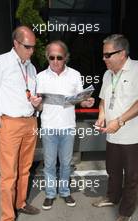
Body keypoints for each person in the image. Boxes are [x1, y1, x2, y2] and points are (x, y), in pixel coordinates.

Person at [0, 26, 42, 221]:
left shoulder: (31, 67)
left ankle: (20, 203)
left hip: (30, 122)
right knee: (9, 175)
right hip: (9, 123)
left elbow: (30, 93)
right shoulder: (0, 63)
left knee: (25, 168)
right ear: (16, 43)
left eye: (33, 47)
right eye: (27, 47)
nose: (31, 51)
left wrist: (36, 104)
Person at [92, 34, 138, 221]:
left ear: (122, 53)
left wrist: (119, 121)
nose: (104, 58)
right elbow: (103, 99)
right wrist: (102, 115)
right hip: (112, 133)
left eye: (108, 54)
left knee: (131, 176)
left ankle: (125, 212)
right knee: (113, 169)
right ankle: (112, 197)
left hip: (132, 134)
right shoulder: (107, 74)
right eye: (103, 55)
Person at [37, 40, 94, 210]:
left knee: (66, 163)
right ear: (48, 57)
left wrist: (87, 102)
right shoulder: (40, 77)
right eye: (51, 57)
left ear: (65, 58)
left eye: (59, 57)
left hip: (68, 126)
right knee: (48, 164)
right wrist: (35, 103)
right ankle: (49, 194)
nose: (55, 61)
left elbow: (80, 100)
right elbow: (38, 106)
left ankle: (64, 191)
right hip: (48, 127)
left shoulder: (75, 75)